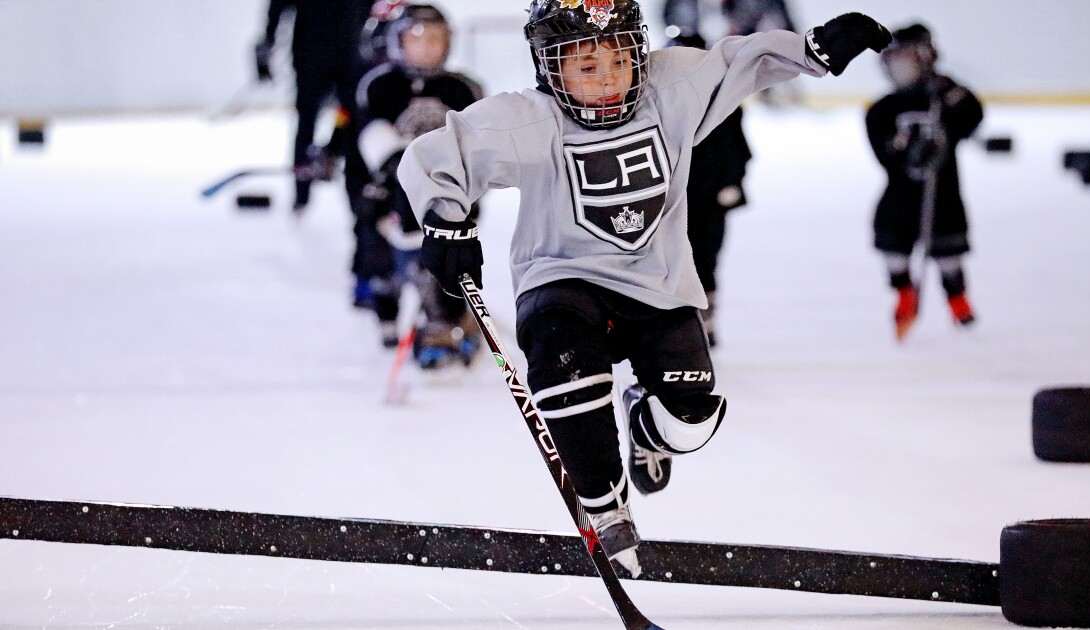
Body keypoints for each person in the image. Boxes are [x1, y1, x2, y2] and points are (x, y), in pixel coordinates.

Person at [398, 0, 889, 575]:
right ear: (549, 69)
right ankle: (606, 508)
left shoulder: (673, 87)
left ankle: (647, 429)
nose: (606, 79)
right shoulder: (529, 119)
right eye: (584, 66)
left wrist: (809, 51)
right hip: (561, 278)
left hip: (658, 287)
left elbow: (742, 62)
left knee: (692, 423)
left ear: (641, 52)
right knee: (567, 375)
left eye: (619, 60)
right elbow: (438, 154)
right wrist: (443, 218)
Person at [355, 4, 485, 361]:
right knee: (382, 259)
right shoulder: (380, 85)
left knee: (446, 265)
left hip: (449, 198)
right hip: (391, 198)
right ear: (397, 43)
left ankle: (447, 323)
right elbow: (366, 137)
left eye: (435, 39)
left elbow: (480, 146)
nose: (427, 47)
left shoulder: (464, 89)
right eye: (417, 39)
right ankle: (387, 312)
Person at [865, 23, 983, 341]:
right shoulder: (883, 109)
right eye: (891, 60)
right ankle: (905, 294)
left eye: (902, 58)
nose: (895, 67)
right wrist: (905, 152)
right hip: (900, 197)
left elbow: (972, 119)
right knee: (893, 245)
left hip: (943, 194)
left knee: (948, 252)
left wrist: (953, 98)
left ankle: (958, 301)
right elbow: (883, 151)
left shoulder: (945, 96)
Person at [669, 33, 753, 347]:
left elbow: (739, 150)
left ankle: (704, 322)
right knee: (668, 261)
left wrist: (733, 182)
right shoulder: (656, 102)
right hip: (670, 200)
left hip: (707, 199)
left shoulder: (724, 102)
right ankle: (673, 323)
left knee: (704, 259)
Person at [256, 0, 375, 213]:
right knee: (307, 124)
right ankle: (302, 195)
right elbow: (278, 7)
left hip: (347, 55)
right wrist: (267, 43)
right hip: (311, 56)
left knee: (349, 122)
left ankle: (337, 161)